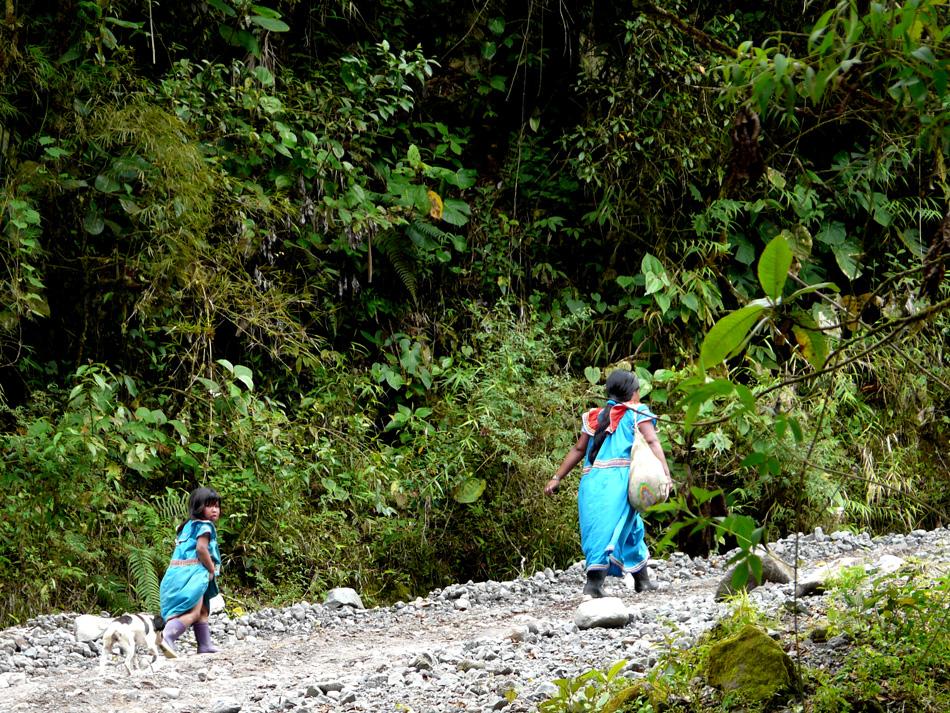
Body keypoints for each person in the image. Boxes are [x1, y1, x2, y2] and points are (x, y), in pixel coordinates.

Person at [543, 369, 672, 598]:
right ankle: (593, 586)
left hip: (592, 483)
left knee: (630, 528)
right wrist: (665, 475)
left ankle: (642, 581)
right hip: (619, 483)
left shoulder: (596, 416)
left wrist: (557, 477)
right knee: (609, 532)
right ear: (634, 393)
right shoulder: (636, 413)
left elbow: (578, 449)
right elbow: (652, 441)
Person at [159, 487, 223, 657]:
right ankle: (167, 636)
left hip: (177, 574)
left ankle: (205, 645)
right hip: (194, 574)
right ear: (198, 507)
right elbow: (202, 549)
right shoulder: (205, 526)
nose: (215, 510)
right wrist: (210, 569)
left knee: (202, 610)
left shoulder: (186, 526)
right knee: (193, 612)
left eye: (217, 506)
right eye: (209, 506)